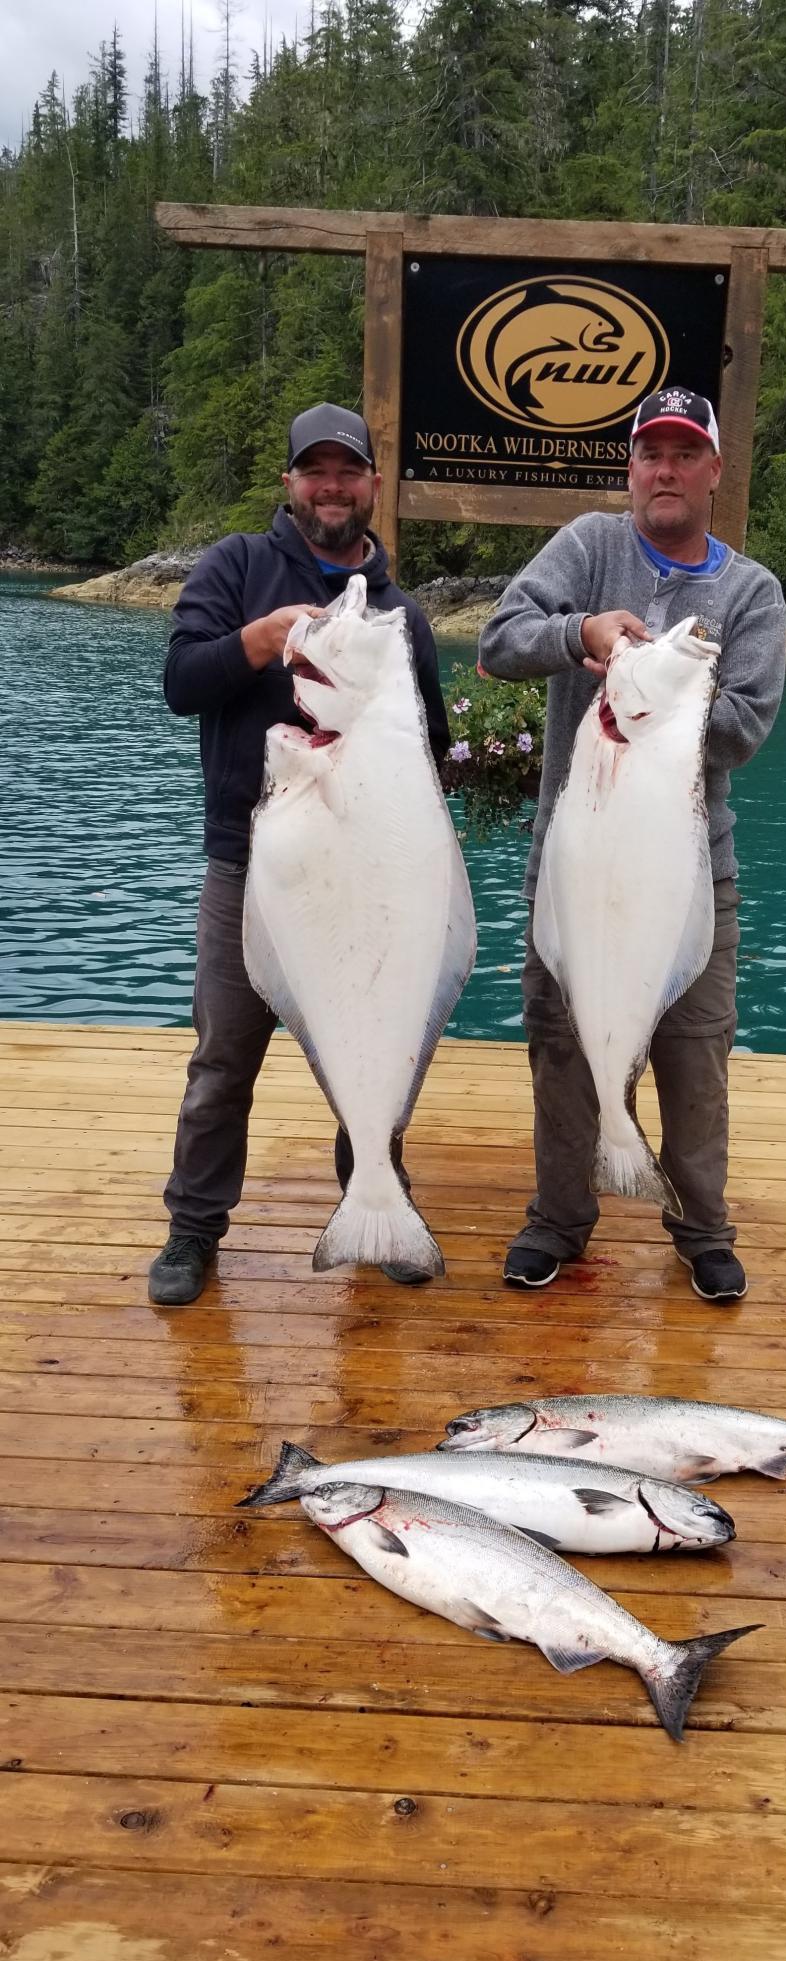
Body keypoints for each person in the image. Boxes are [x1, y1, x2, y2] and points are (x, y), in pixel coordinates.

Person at [478, 384, 786, 1304]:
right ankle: (559, 1219)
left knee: (695, 1056)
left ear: (714, 472)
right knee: (563, 1048)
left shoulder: (751, 592)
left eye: (686, 453)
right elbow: (500, 641)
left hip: (689, 876)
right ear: (631, 467)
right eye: (652, 452)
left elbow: (745, 727)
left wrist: (667, 687)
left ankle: (702, 1229)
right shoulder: (588, 545)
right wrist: (582, 634)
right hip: (574, 872)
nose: (667, 468)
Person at [148, 401, 450, 1306]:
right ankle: (193, 1232)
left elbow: (430, 751)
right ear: (290, 483)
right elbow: (180, 683)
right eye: (315, 471)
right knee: (222, 1061)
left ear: (370, 485)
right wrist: (262, 640)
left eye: (348, 471)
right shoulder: (236, 566)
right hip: (250, 869)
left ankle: (379, 1201)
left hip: (367, 879)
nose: (332, 487)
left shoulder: (401, 616)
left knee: (375, 1050)